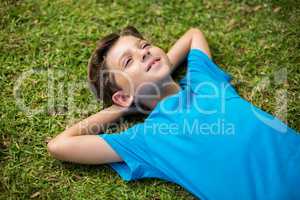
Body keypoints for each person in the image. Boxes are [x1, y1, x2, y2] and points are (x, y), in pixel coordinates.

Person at [47, 26, 300, 200]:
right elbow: (60, 145)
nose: (143, 51)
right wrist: (122, 107)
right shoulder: (147, 139)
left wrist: (159, 62)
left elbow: (193, 35)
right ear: (123, 96)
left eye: (144, 45)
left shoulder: (204, 81)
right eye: (128, 61)